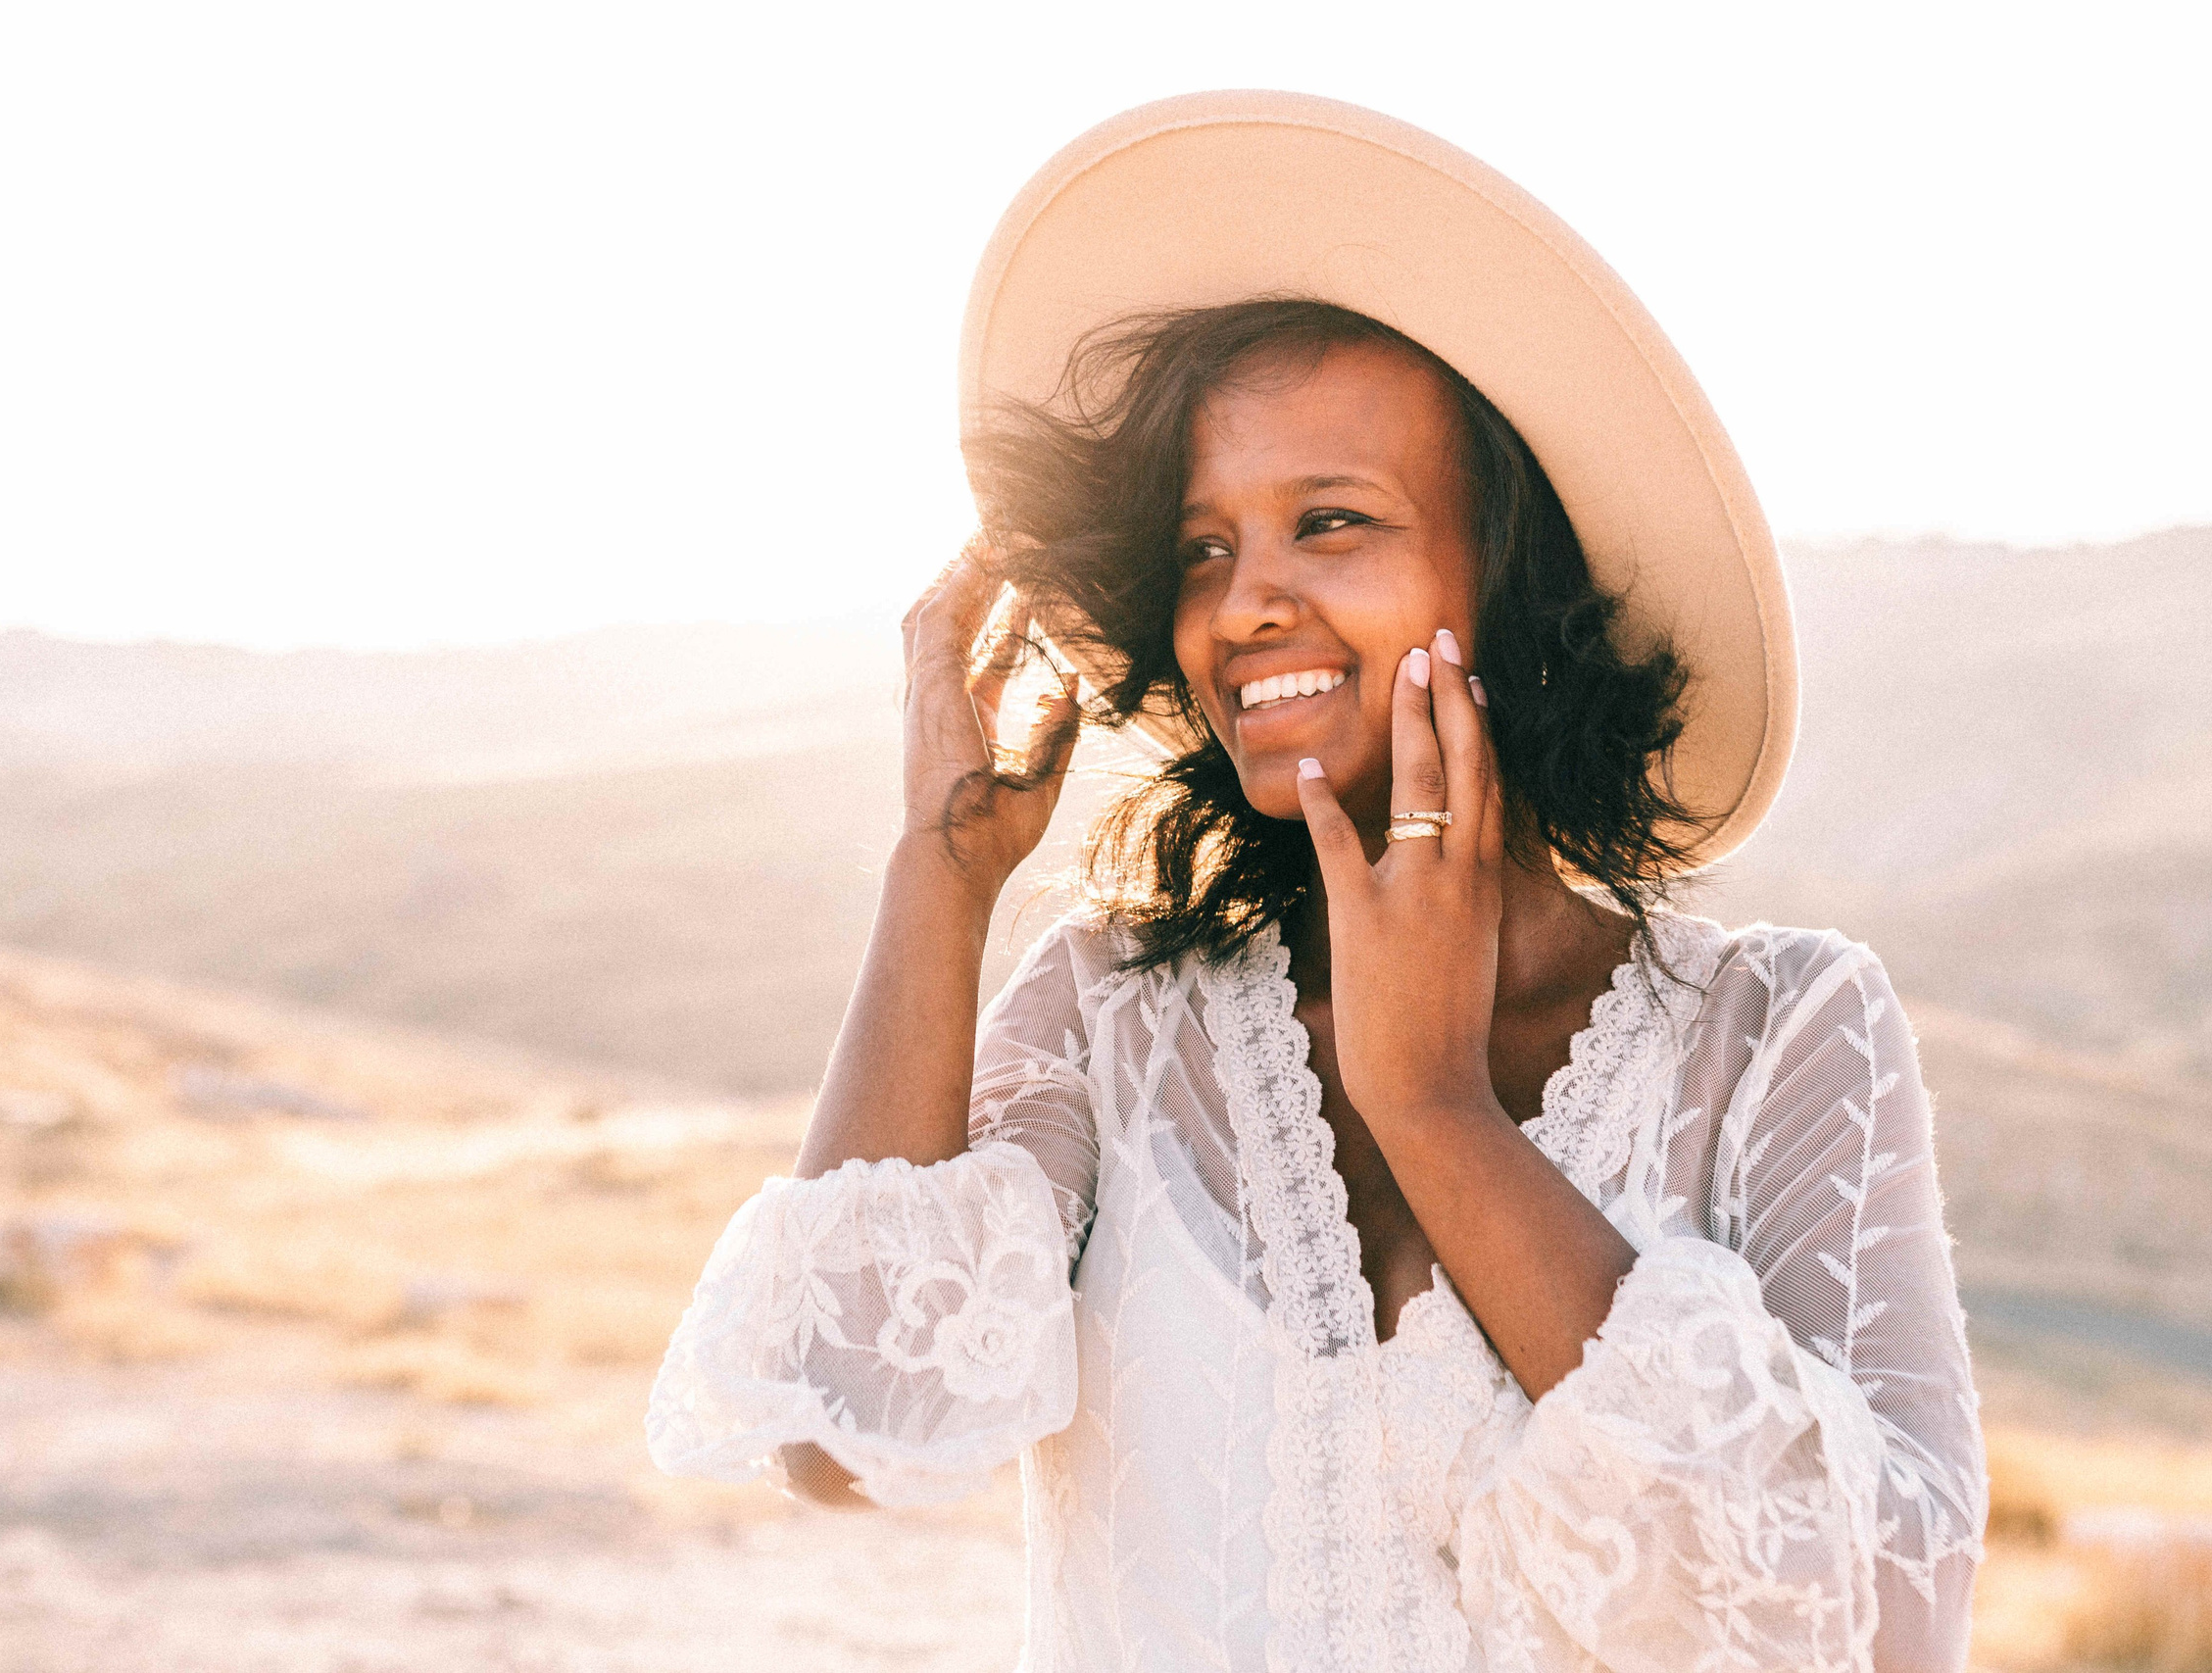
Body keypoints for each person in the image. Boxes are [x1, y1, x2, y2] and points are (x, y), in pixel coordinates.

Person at [647, 92, 1987, 1672]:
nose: (1246, 603)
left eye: (1330, 523)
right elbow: (845, 1437)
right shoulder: (1109, 1016)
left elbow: (1890, 1621)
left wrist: (1435, 1107)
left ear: (1512, 574)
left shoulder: (1778, 1038)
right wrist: (941, 878)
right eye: (1203, 549)